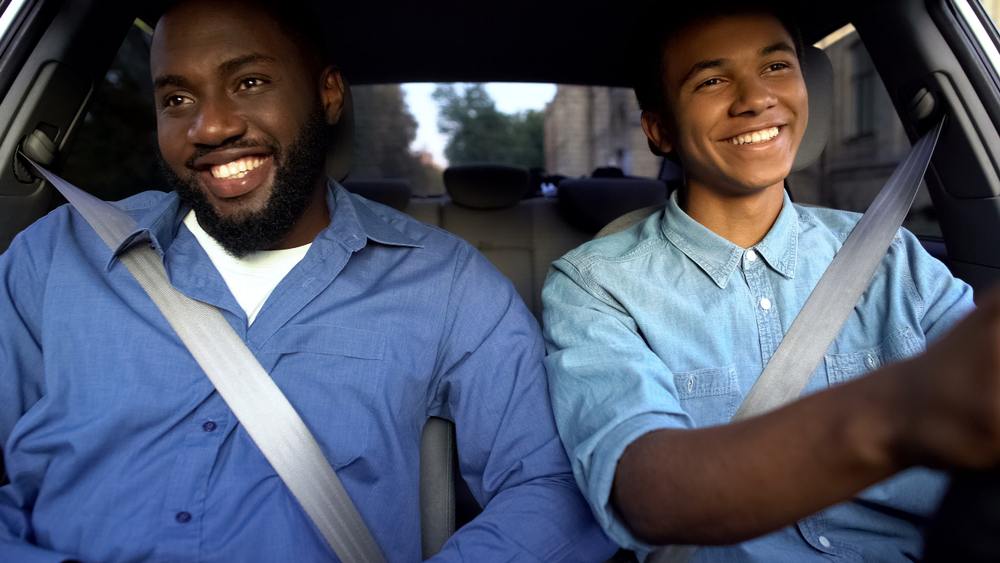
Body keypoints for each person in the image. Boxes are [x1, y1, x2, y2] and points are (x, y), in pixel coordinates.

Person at [0, 0, 618, 561]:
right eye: (177, 99)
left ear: (327, 94)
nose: (210, 127)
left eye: (249, 83)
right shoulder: (54, 258)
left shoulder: (447, 284)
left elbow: (551, 483)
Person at [543, 2, 1000, 561]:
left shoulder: (891, 254)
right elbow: (645, 490)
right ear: (659, 130)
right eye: (712, 80)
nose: (756, 98)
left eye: (777, 67)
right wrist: (901, 408)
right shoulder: (595, 285)